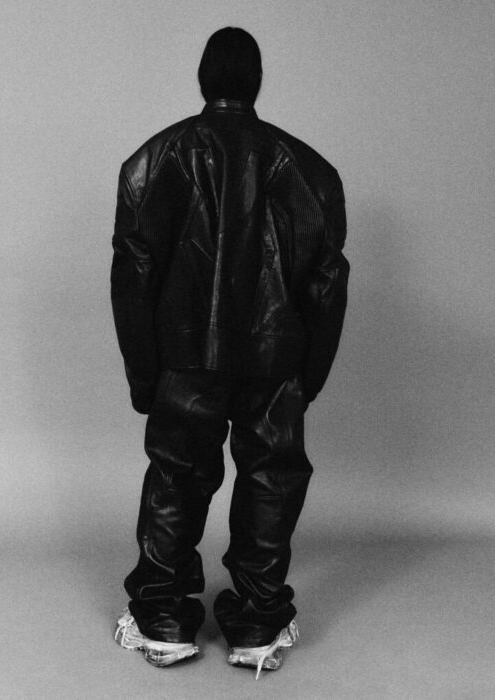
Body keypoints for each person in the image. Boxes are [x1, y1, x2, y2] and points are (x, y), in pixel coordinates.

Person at [110, 26, 349, 679]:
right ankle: (257, 626)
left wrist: (144, 375)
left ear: (204, 79)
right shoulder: (310, 170)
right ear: (256, 81)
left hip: (183, 358)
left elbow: (133, 278)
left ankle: (162, 620)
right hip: (277, 360)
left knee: (177, 478)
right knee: (271, 478)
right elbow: (328, 285)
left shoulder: (153, 161)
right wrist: (308, 376)